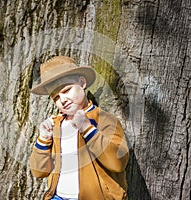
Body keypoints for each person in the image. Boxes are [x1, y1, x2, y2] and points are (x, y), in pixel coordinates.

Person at [29, 56, 129, 200]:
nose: (62, 100)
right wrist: (44, 139)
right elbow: (39, 172)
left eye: (67, 90)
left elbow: (118, 163)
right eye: (56, 97)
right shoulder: (56, 124)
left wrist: (88, 129)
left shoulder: (105, 120)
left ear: (82, 83)